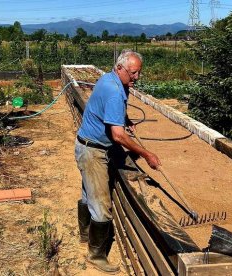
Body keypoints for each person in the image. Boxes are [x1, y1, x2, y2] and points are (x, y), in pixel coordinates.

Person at [75, 49, 161, 274]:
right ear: (120, 68)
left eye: (139, 72)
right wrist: (146, 154)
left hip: (86, 144)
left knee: (88, 194)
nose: (136, 77)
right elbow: (118, 137)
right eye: (133, 72)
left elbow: (111, 112)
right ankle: (96, 255)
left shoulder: (111, 80)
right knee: (102, 207)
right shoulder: (114, 90)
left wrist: (124, 118)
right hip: (93, 152)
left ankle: (85, 234)